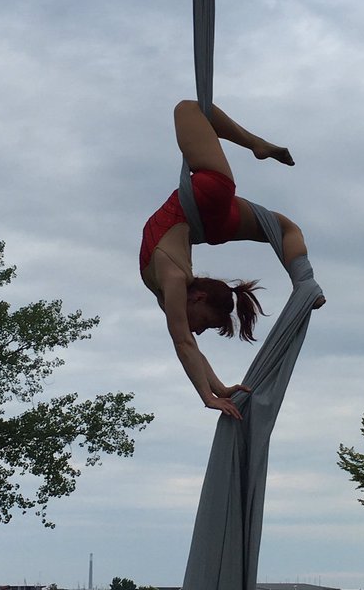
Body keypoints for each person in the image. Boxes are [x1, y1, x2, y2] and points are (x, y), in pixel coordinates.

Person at [139, 100, 324, 419]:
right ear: (198, 297)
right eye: (207, 323)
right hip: (206, 202)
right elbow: (186, 344)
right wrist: (212, 393)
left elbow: (186, 344)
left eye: (204, 326)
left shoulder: (172, 285)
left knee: (286, 228)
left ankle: (305, 284)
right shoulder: (174, 283)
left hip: (204, 216)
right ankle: (304, 282)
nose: (199, 331)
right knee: (188, 108)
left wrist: (213, 392)